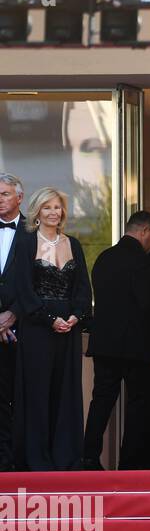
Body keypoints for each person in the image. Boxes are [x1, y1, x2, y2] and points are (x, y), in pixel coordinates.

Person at [12, 188, 91, 471]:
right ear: (37, 212)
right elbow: (22, 288)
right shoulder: (26, 243)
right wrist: (48, 319)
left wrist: (75, 316)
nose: (53, 212)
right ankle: (38, 460)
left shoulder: (74, 244)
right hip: (37, 328)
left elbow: (83, 287)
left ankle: (66, 458)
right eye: (47, 207)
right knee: (37, 392)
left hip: (67, 328)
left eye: (57, 207)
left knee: (66, 392)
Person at [82, 211, 150, 469]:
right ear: (145, 232)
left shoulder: (104, 257)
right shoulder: (143, 261)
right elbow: (148, 304)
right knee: (138, 404)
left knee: (102, 400)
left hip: (105, 343)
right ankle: (131, 463)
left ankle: (88, 457)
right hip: (136, 346)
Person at [0, 173, 25, 472]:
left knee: (21, 398)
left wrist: (12, 315)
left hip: (24, 329)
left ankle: (19, 461)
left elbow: (39, 280)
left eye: (5, 193)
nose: (0, 198)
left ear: (20, 197)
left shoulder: (34, 232)